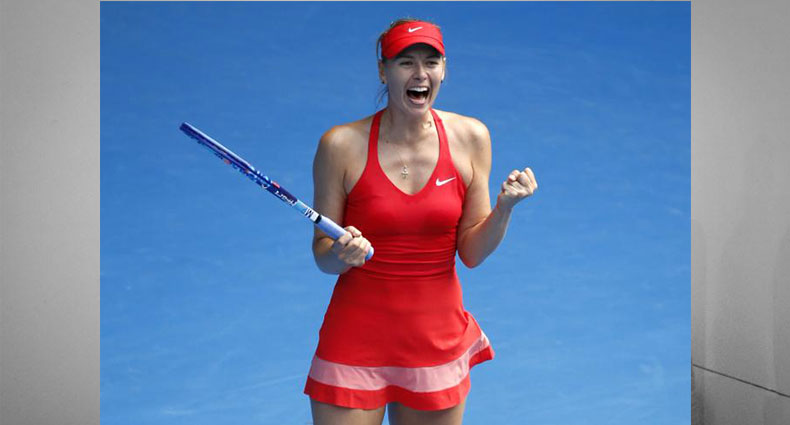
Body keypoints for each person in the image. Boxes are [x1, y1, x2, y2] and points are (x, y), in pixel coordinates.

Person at [304, 18, 538, 425]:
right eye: (405, 62)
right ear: (383, 71)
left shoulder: (472, 138)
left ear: (444, 70)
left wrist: (504, 210)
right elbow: (322, 256)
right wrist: (341, 254)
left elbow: (471, 253)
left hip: (435, 340)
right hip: (355, 338)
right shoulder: (339, 145)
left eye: (430, 62)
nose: (419, 74)